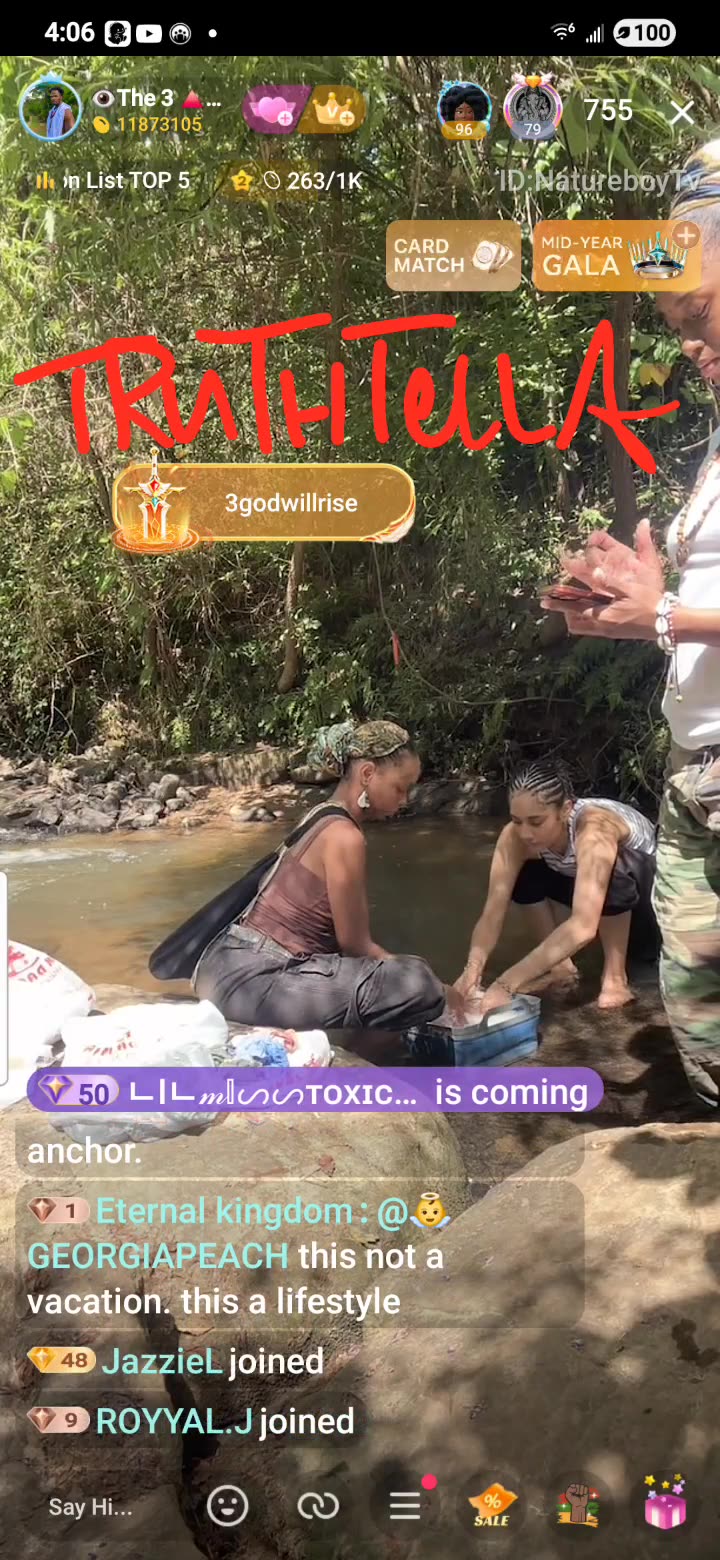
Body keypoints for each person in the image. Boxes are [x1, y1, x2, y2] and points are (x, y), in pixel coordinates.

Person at [541, 137, 720, 1107]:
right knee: (698, 1028)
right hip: (693, 775)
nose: (688, 345)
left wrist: (668, 615)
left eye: (697, 313)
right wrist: (647, 597)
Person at [194, 720, 447, 1031]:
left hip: (221, 968)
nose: (405, 800)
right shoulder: (345, 837)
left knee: (400, 972)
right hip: (253, 982)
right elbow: (356, 946)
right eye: (401, 787)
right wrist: (446, 993)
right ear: (367, 774)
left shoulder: (320, 814)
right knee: (420, 985)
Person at [456, 760, 658, 1012]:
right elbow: (493, 912)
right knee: (524, 873)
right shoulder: (516, 836)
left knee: (612, 870)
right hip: (597, 891)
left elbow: (584, 926)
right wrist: (471, 972)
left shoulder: (594, 828)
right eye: (517, 821)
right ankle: (561, 967)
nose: (525, 833)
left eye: (536, 822)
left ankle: (615, 978)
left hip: (650, 898)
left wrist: (506, 983)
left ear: (565, 810)